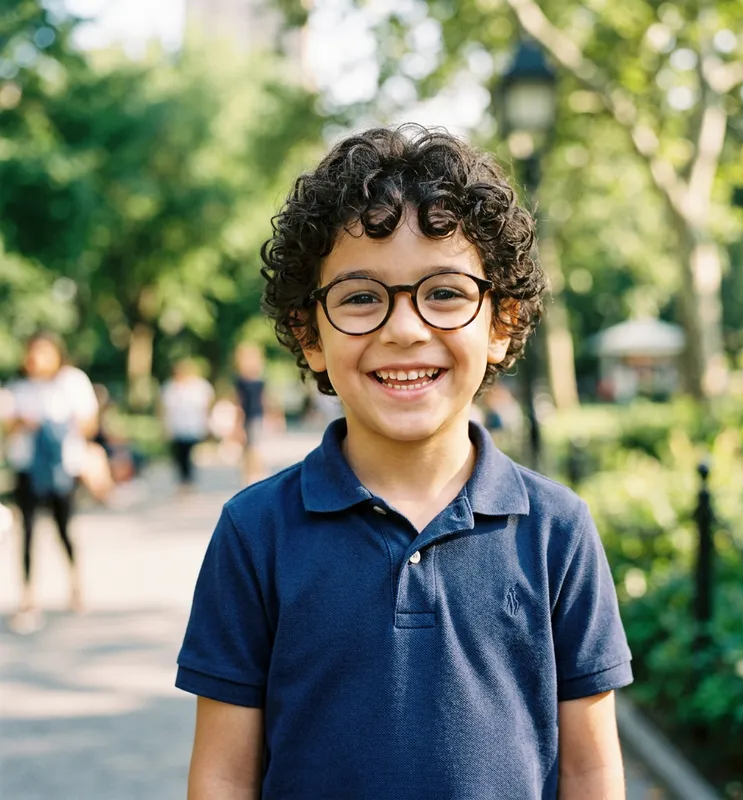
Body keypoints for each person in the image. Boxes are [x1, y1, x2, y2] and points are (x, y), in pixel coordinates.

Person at [176, 125, 632, 799]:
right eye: (361, 297)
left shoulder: (557, 530)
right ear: (310, 337)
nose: (405, 328)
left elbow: (591, 771)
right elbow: (221, 774)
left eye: (445, 292)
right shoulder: (254, 532)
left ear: (501, 322)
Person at [2, 332, 99, 631]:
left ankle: (75, 585)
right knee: (28, 532)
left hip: (62, 468)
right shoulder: (18, 388)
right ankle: (29, 596)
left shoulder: (72, 383)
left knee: (64, 528)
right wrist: (23, 422)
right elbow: (7, 427)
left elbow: (89, 424)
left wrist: (60, 424)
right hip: (28, 468)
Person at [160, 360, 214, 490]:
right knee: (179, 456)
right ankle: (183, 481)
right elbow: (164, 408)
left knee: (189, 454)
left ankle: (189, 480)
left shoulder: (199, 386)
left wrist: (207, 422)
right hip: (177, 427)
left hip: (193, 427)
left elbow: (207, 404)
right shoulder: (170, 387)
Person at [233, 342, 268, 484]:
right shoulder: (240, 381)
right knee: (247, 446)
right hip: (245, 415)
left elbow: (265, 400)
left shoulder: (260, 380)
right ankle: (249, 472)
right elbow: (238, 402)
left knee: (253, 445)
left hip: (256, 416)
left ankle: (256, 472)